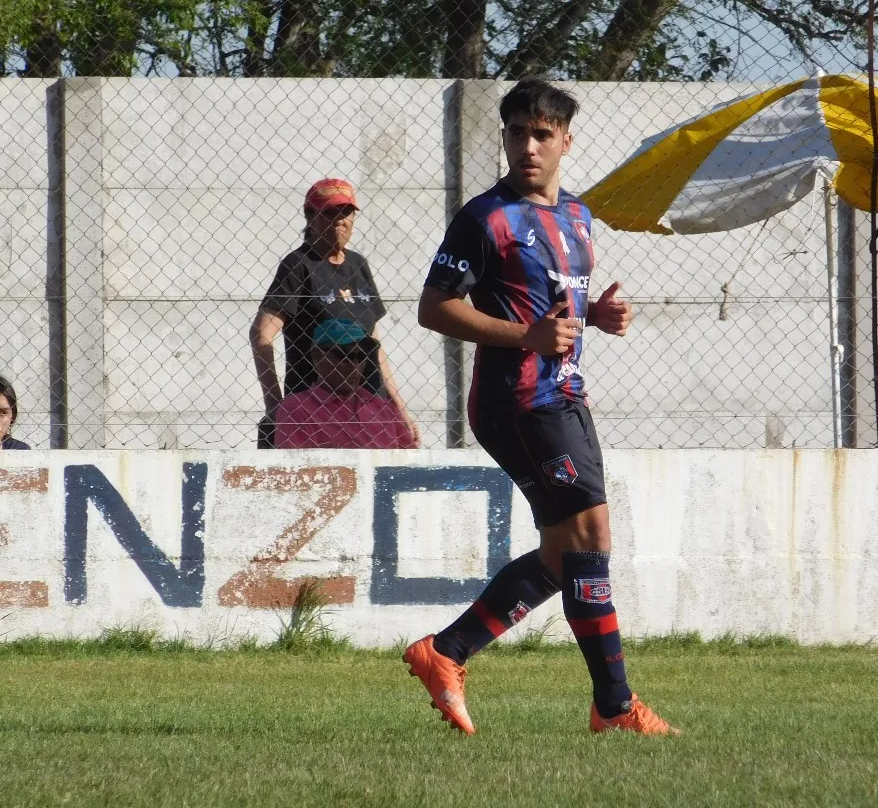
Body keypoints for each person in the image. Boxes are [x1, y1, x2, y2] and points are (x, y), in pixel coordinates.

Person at [402, 78, 677, 736]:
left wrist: (596, 315)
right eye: (517, 133)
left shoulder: (577, 217)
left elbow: (554, 309)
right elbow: (433, 308)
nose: (528, 146)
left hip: (562, 397)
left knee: (565, 555)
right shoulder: (483, 218)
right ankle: (613, 707)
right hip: (521, 401)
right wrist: (523, 337)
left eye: (542, 135)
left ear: (565, 142)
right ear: (503, 138)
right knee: (591, 540)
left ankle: (446, 652)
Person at [250, 178, 419, 448]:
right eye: (329, 213)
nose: (340, 220)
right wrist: (275, 407)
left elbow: (374, 342)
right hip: (314, 411)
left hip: (367, 405)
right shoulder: (299, 266)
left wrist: (398, 406)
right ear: (310, 217)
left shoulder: (358, 264)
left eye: (346, 212)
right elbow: (261, 335)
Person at [275, 319, 419, 449]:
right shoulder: (296, 409)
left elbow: (411, 463)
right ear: (317, 356)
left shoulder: (383, 408)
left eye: (361, 356)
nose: (354, 365)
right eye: (344, 355)